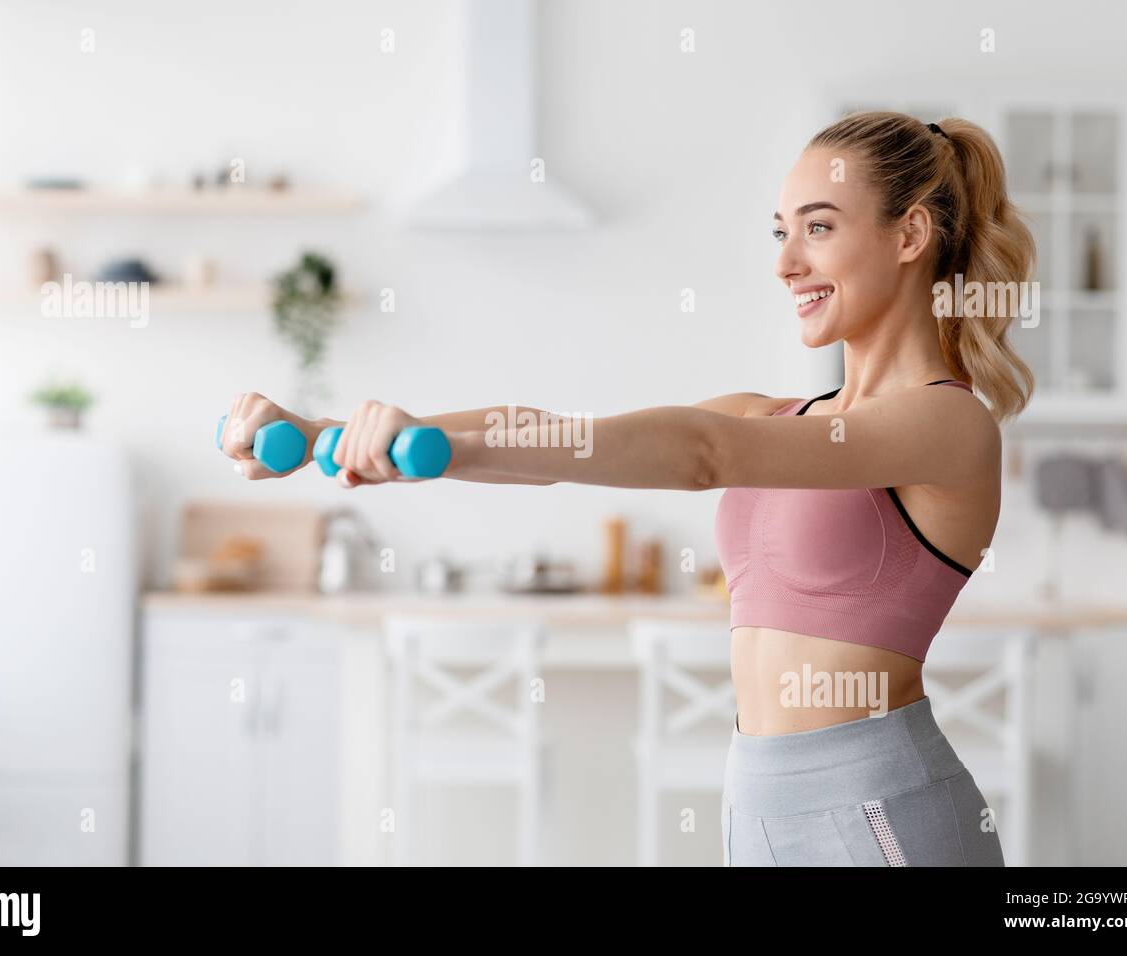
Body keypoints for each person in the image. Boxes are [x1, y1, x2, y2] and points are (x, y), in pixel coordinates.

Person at [219, 110, 1035, 867]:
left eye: (818, 229)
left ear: (911, 235)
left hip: (878, 817)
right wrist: (345, 438)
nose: (785, 263)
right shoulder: (781, 416)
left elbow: (703, 454)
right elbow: (560, 438)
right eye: (782, 233)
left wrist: (424, 445)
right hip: (754, 807)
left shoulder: (947, 426)